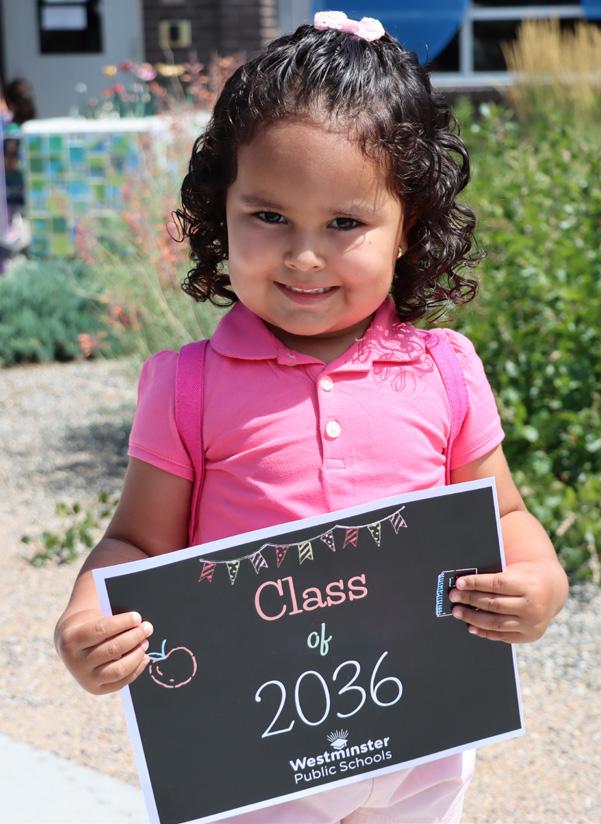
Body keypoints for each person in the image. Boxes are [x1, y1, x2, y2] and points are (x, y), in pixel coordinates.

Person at [54, 11, 568, 823]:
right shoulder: (188, 387)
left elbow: (505, 515)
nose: (303, 256)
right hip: (251, 761)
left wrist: (540, 580)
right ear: (220, 210)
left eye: (344, 224)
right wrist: (90, 615)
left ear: (407, 228)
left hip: (419, 745)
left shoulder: (444, 372)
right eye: (269, 217)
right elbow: (138, 543)